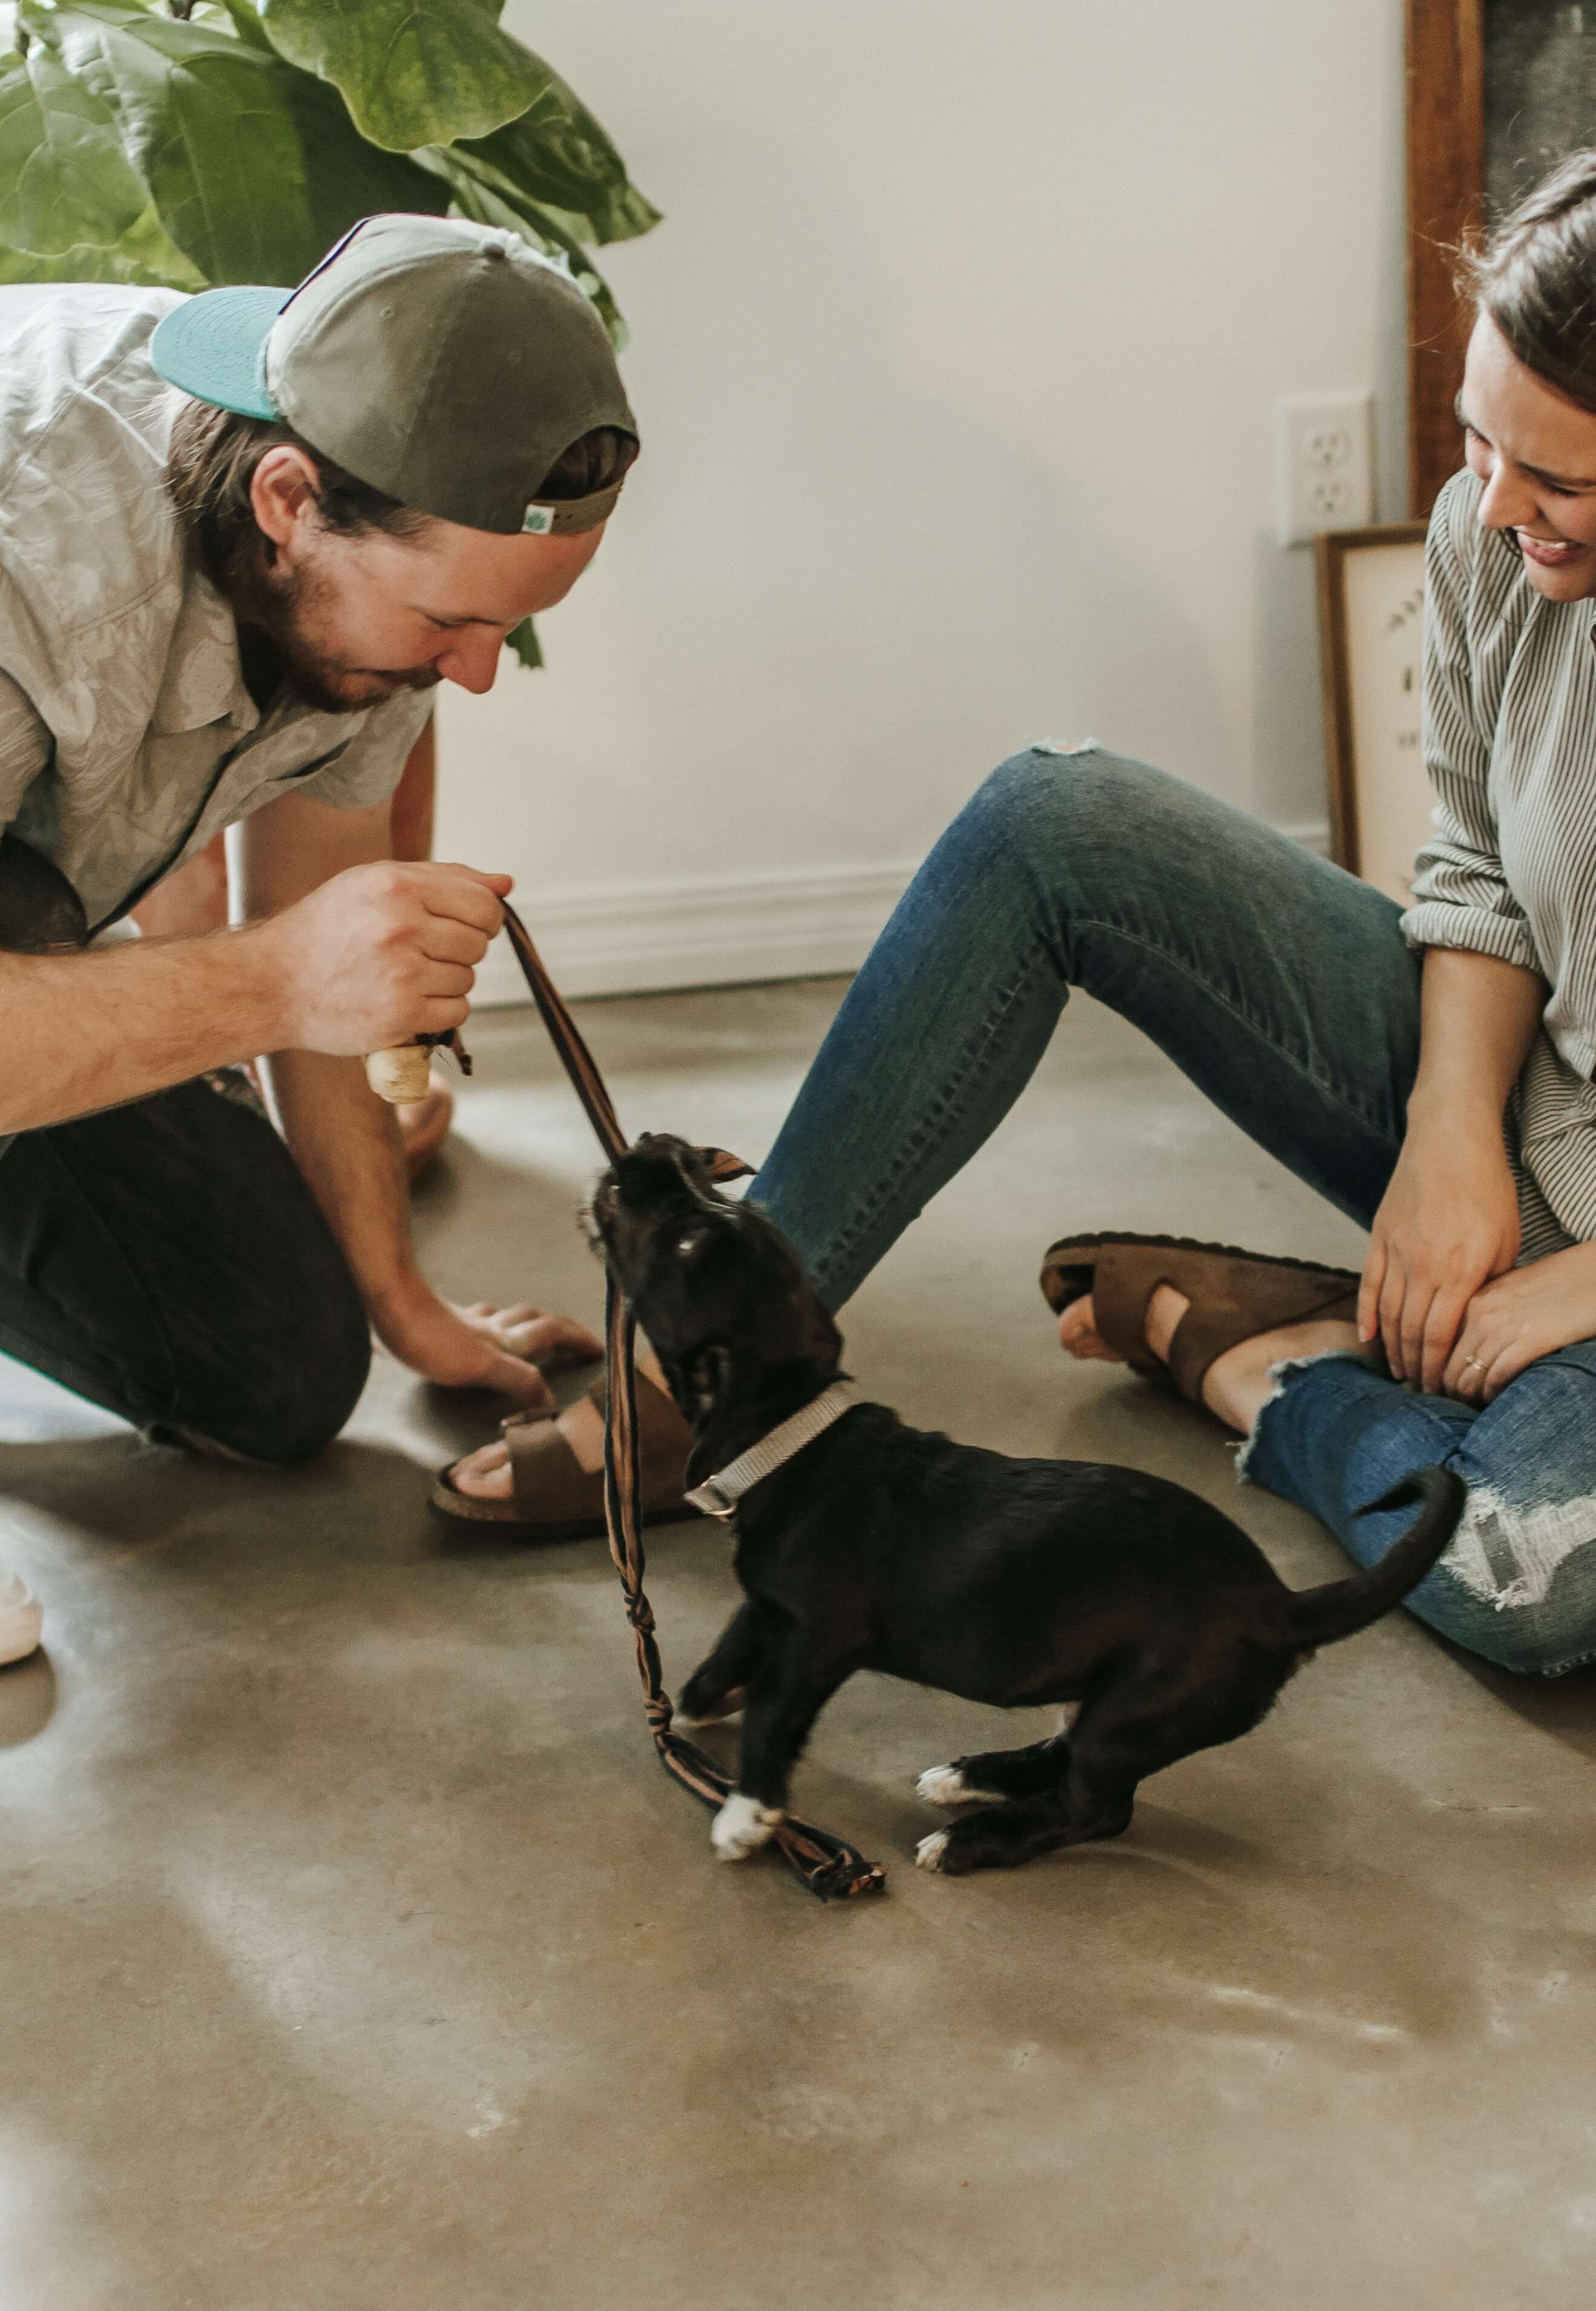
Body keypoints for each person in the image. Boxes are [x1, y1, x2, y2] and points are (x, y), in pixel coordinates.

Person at [448, 150, 1596, 1682]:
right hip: (1527, 1103)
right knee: (1054, 823)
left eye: (1558, 479)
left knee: (1527, 1588)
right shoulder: (1489, 531)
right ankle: (710, 1363)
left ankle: (1260, 1358)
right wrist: (1450, 1129)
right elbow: (1471, 868)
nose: (1491, 501)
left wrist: (1573, 1283)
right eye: (1475, 438)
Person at [0, 212, 639, 1662]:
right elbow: (295, 965)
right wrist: (274, 981)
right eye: (449, 624)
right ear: (289, 498)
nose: (471, 677)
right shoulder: (26, 553)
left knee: (275, 1369)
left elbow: (317, 911)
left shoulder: (374, 538)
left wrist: (401, 1300)